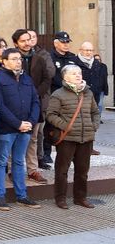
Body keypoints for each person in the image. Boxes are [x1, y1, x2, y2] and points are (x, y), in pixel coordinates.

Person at [0, 48, 42, 211]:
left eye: (19, 59)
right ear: (4, 61)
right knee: (2, 161)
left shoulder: (26, 79)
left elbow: (35, 101)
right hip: (7, 129)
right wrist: (17, 123)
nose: (18, 61)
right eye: (13, 59)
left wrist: (31, 122)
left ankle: (22, 196)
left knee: (19, 161)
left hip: (25, 128)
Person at [46, 65, 100, 209]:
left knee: (82, 171)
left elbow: (95, 112)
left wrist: (93, 126)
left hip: (86, 138)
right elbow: (50, 115)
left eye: (79, 73)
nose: (78, 75)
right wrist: (65, 126)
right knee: (62, 171)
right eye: (74, 73)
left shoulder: (88, 93)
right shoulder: (58, 94)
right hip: (67, 139)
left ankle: (80, 198)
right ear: (65, 77)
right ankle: (60, 198)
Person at [13, 29, 55, 180]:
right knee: (14, 137)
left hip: (35, 103)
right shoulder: (12, 58)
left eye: (28, 39)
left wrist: (36, 94)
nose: (26, 43)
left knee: (33, 137)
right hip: (15, 103)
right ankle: (13, 170)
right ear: (16, 43)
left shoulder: (39, 58)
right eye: (22, 41)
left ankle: (32, 169)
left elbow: (47, 78)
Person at [47, 31, 81, 165]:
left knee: (71, 123)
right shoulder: (49, 57)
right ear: (56, 43)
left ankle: (72, 152)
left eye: (67, 42)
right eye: (63, 42)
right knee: (52, 126)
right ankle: (46, 153)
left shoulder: (73, 58)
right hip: (55, 94)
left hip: (72, 96)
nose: (66, 45)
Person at [78, 41, 107, 146]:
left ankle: (90, 145)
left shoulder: (97, 64)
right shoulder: (75, 62)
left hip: (94, 97)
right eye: (86, 50)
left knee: (91, 121)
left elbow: (100, 79)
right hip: (79, 98)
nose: (88, 52)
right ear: (80, 50)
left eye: (91, 50)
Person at [93, 54, 109, 118]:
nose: (97, 61)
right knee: (93, 104)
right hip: (93, 88)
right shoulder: (91, 66)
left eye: (98, 59)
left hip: (101, 89)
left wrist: (106, 89)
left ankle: (98, 118)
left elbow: (105, 77)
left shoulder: (104, 66)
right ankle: (93, 117)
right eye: (96, 59)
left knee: (100, 104)